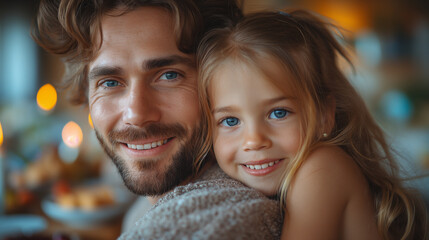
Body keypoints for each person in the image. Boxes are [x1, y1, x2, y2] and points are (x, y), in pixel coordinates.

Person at [32, 0, 283, 239]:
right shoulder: (144, 207)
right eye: (110, 82)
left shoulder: (222, 215)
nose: (137, 115)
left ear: (219, 85)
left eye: (169, 75)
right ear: (86, 96)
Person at [197, 10, 428, 240]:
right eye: (230, 121)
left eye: (278, 113)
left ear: (323, 115)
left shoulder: (321, 168)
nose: (254, 140)